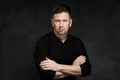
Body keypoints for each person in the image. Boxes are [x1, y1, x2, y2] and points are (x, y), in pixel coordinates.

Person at [33, 4, 91, 80]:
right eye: (57, 21)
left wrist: (57, 66)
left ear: (70, 22)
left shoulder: (77, 42)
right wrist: (74, 68)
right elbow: (46, 74)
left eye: (64, 21)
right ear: (52, 22)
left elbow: (86, 70)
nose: (61, 25)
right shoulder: (42, 42)